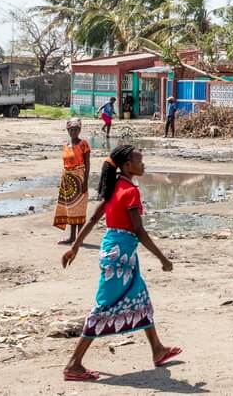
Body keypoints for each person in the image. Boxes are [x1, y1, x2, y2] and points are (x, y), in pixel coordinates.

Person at [60, 144, 182, 381]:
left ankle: (157, 349)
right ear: (127, 165)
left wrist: (76, 246)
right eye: (139, 160)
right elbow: (138, 230)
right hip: (120, 257)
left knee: (141, 298)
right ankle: (74, 364)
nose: (143, 164)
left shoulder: (115, 186)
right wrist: (163, 258)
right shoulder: (130, 191)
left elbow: (95, 218)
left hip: (116, 252)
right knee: (103, 307)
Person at [54, 118, 92, 245]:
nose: (74, 132)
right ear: (68, 131)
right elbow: (65, 165)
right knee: (71, 209)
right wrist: (63, 181)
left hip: (80, 178)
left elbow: (87, 165)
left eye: (76, 129)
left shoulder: (84, 144)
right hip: (68, 181)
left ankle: (79, 238)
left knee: (80, 209)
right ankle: (71, 237)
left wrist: (86, 182)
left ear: (79, 130)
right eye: (71, 130)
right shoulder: (66, 146)